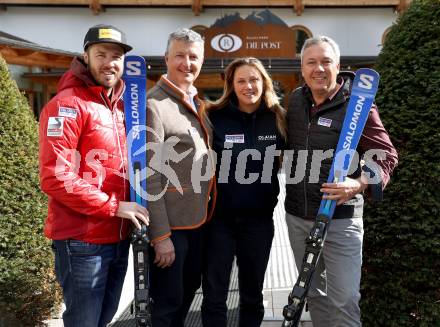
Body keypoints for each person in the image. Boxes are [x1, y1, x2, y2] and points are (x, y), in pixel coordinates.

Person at [39, 24, 149, 327]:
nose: (109, 62)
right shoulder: (66, 105)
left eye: (116, 56)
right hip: (83, 240)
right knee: (84, 322)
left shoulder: (123, 107)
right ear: (85, 57)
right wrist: (114, 206)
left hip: (118, 236)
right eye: (101, 54)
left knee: (103, 319)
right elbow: (55, 176)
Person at [284, 35, 398, 327]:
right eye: (311, 62)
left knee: (345, 298)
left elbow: (385, 155)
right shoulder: (296, 100)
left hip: (341, 220)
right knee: (314, 293)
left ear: (338, 66)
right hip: (297, 217)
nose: (318, 69)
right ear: (302, 67)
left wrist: (358, 183)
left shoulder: (357, 104)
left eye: (325, 62)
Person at [201, 57, 287, 327]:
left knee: (252, 294)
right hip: (219, 222)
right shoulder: (213, 116)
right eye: (241, 81)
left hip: (259, 222)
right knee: (215, 294)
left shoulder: (277, 117)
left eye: (254, 79)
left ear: (264, 82)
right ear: (231, 85)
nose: (248, 86)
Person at [145, 28, 216, 327]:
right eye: (180, 56)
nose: (187, 63)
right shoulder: (154, 104)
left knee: (186, 294)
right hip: (172, 228)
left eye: (194, 57)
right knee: (166, 304)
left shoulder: (197, 102)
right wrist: (160, 236)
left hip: (199, 221)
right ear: (166, 58)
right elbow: (148, 176)